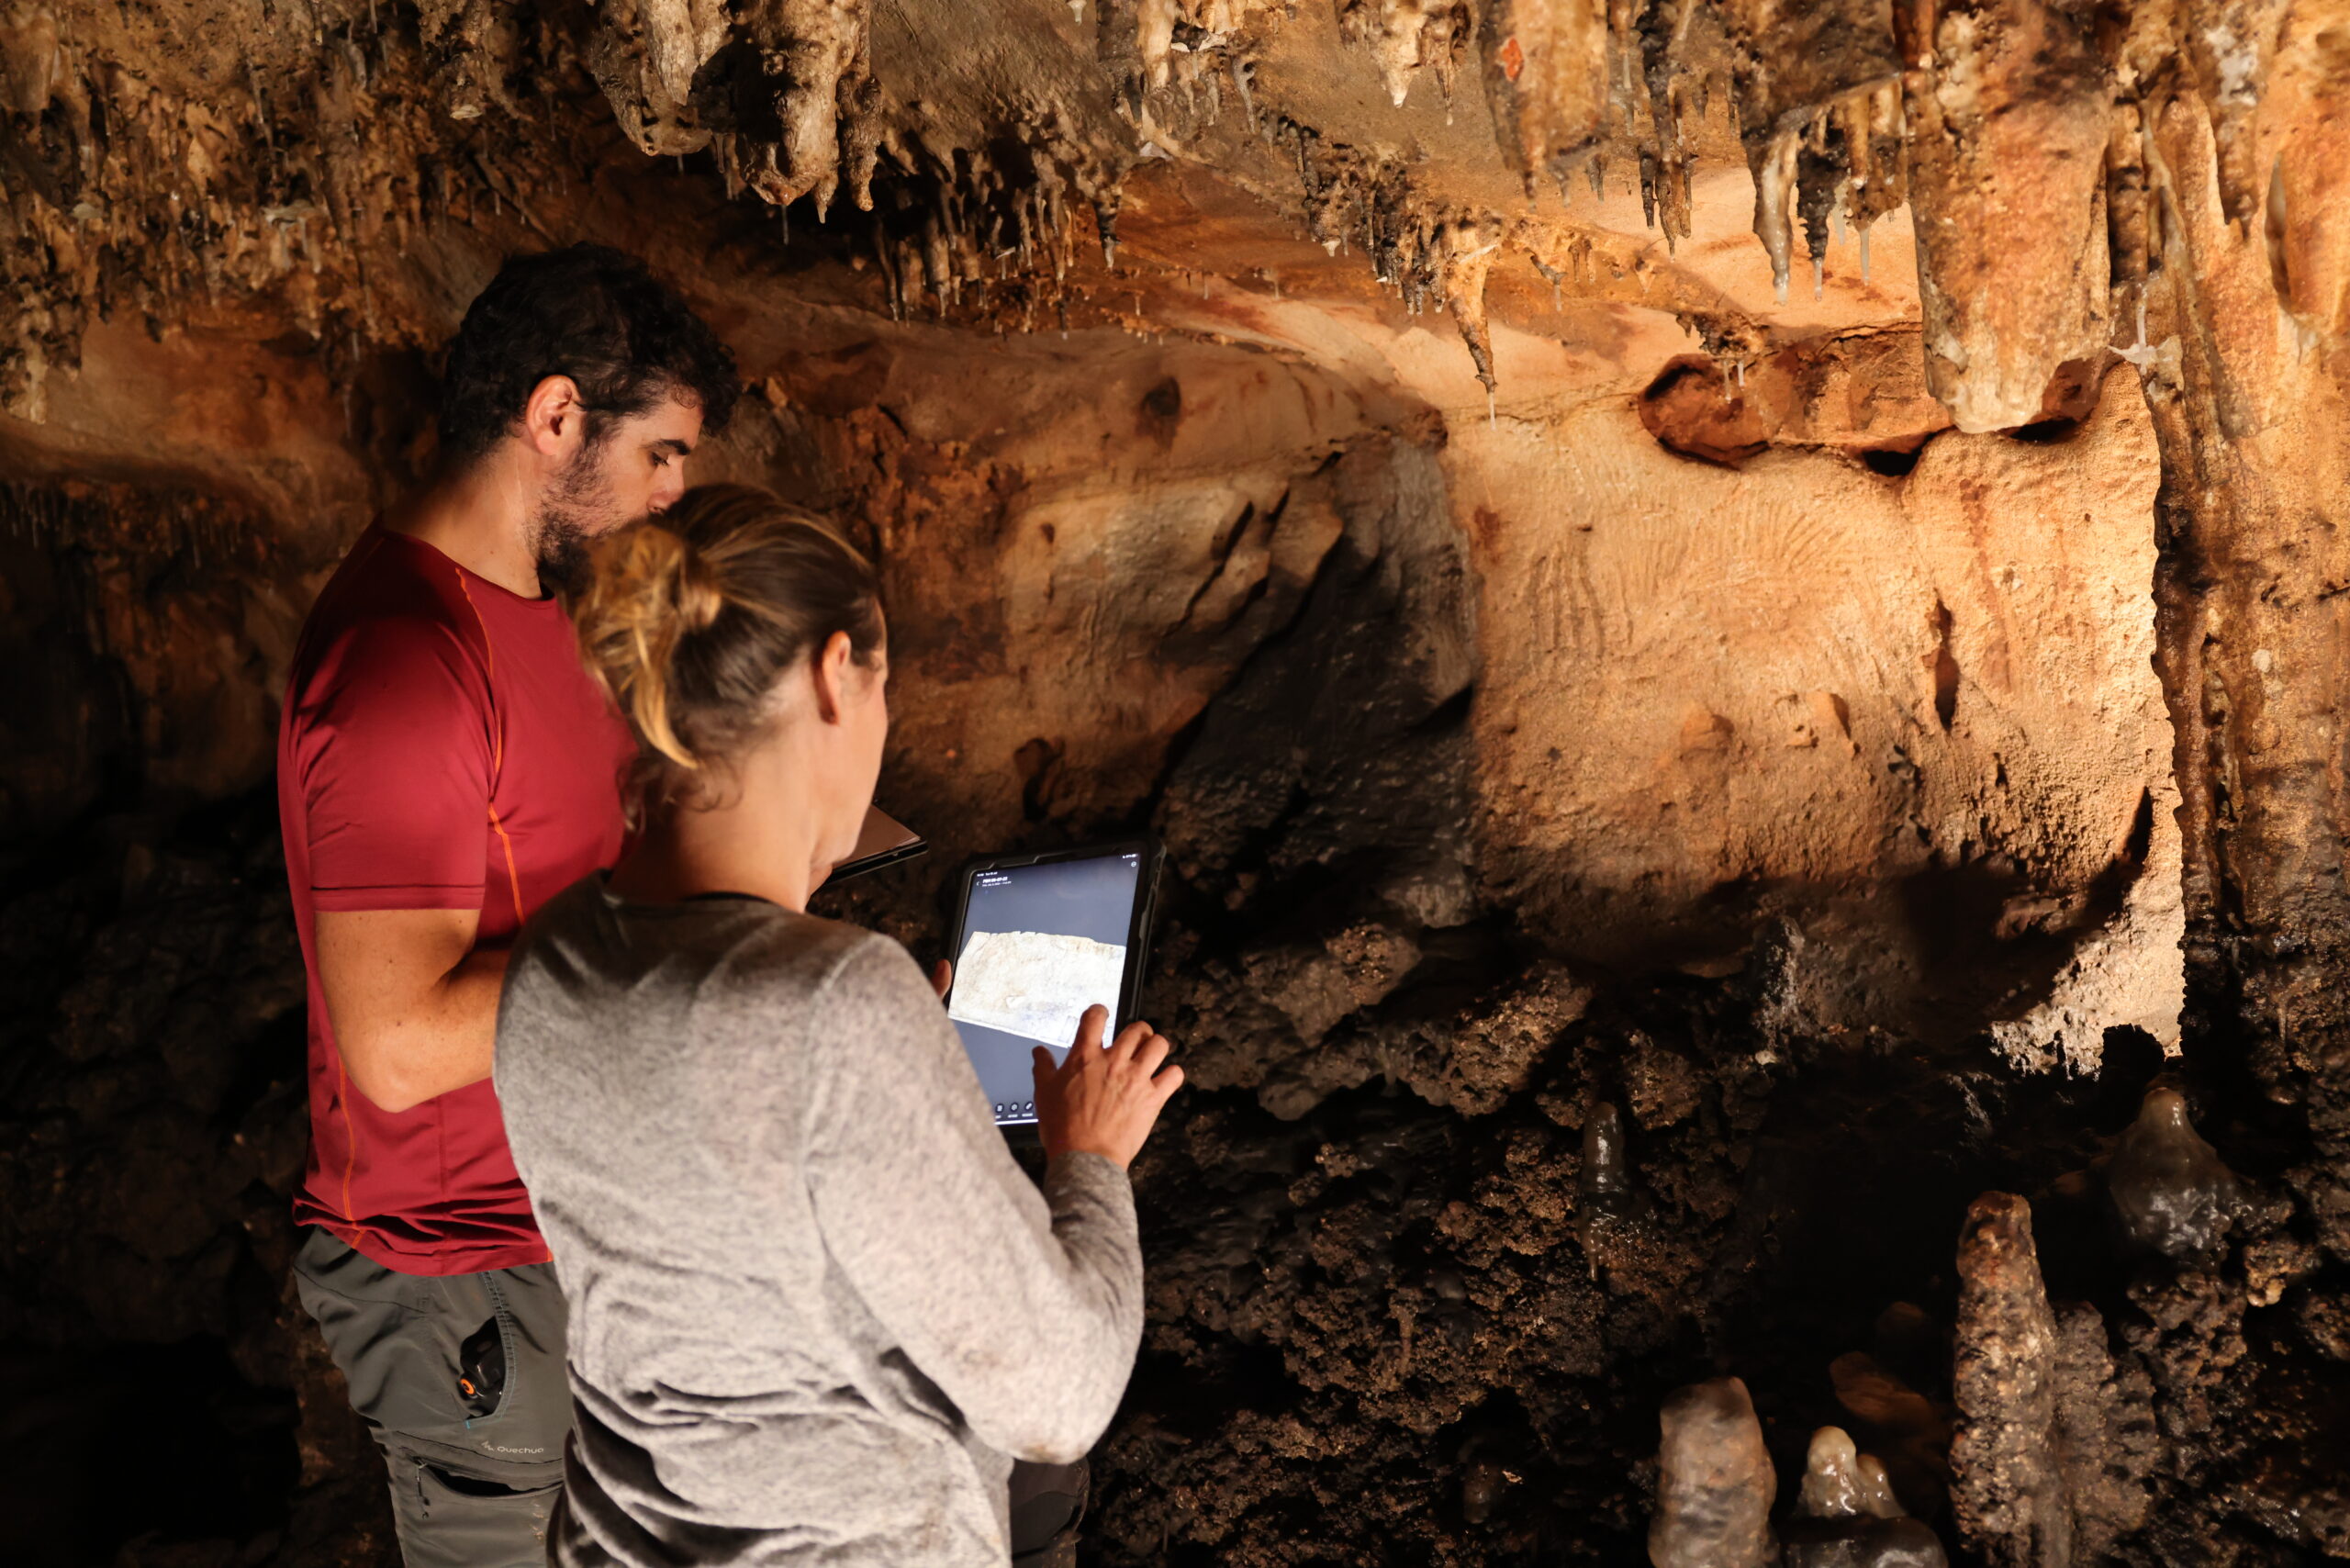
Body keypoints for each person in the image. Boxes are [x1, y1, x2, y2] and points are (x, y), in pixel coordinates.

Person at [494, 484, 1184, 1567]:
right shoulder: (837, 1004)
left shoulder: (552, 964)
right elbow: (1060, 1395)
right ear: (830, 676)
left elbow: (739, 1221)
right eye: (883, 686)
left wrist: (902, 1082)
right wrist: (1087, 1158)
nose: (886, 721)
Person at [277, 245, 739, 1566]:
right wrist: (680, 952)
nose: (672, 494)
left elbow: (572, 891)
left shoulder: (539, 617)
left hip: (569, 1228)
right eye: (660, 455)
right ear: (554, 419)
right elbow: (398, 1045)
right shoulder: (402, 667)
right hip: (455, 1271)